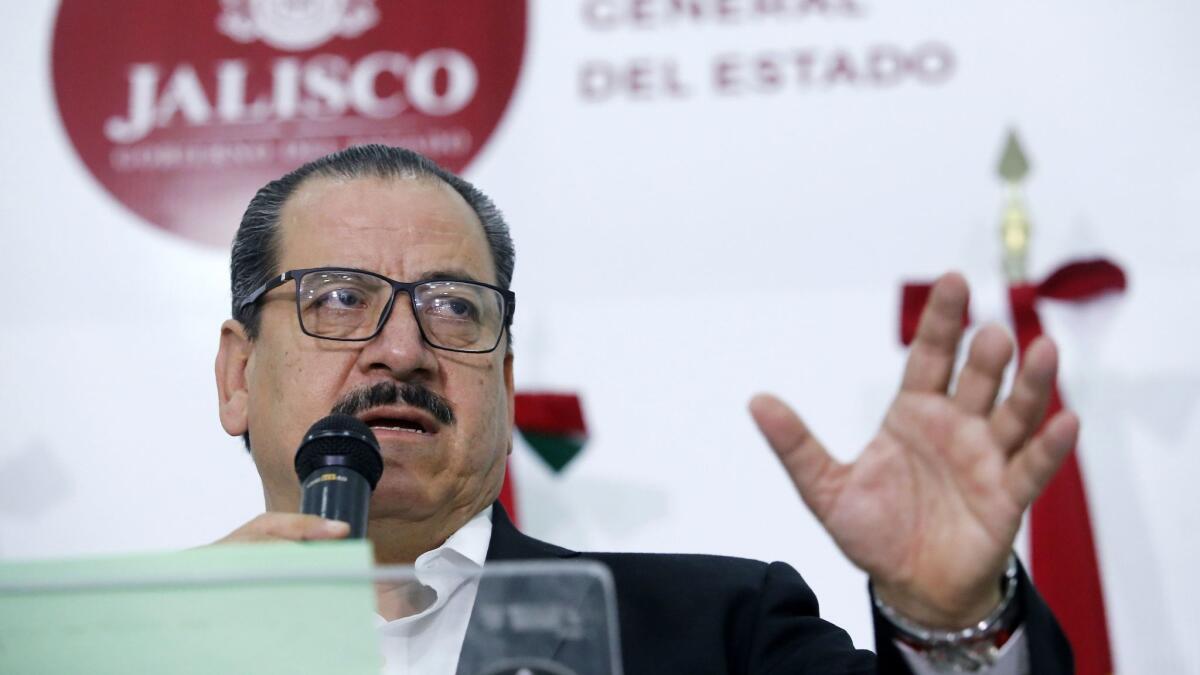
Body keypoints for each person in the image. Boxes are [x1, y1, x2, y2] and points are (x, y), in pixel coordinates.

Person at [213, 145, 1074, 673]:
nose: (401, 349)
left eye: (451, 306)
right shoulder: (125, 649)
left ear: (506, 386)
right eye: (336, 298)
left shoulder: (720, 634)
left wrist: (951, 622)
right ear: (239, 373)